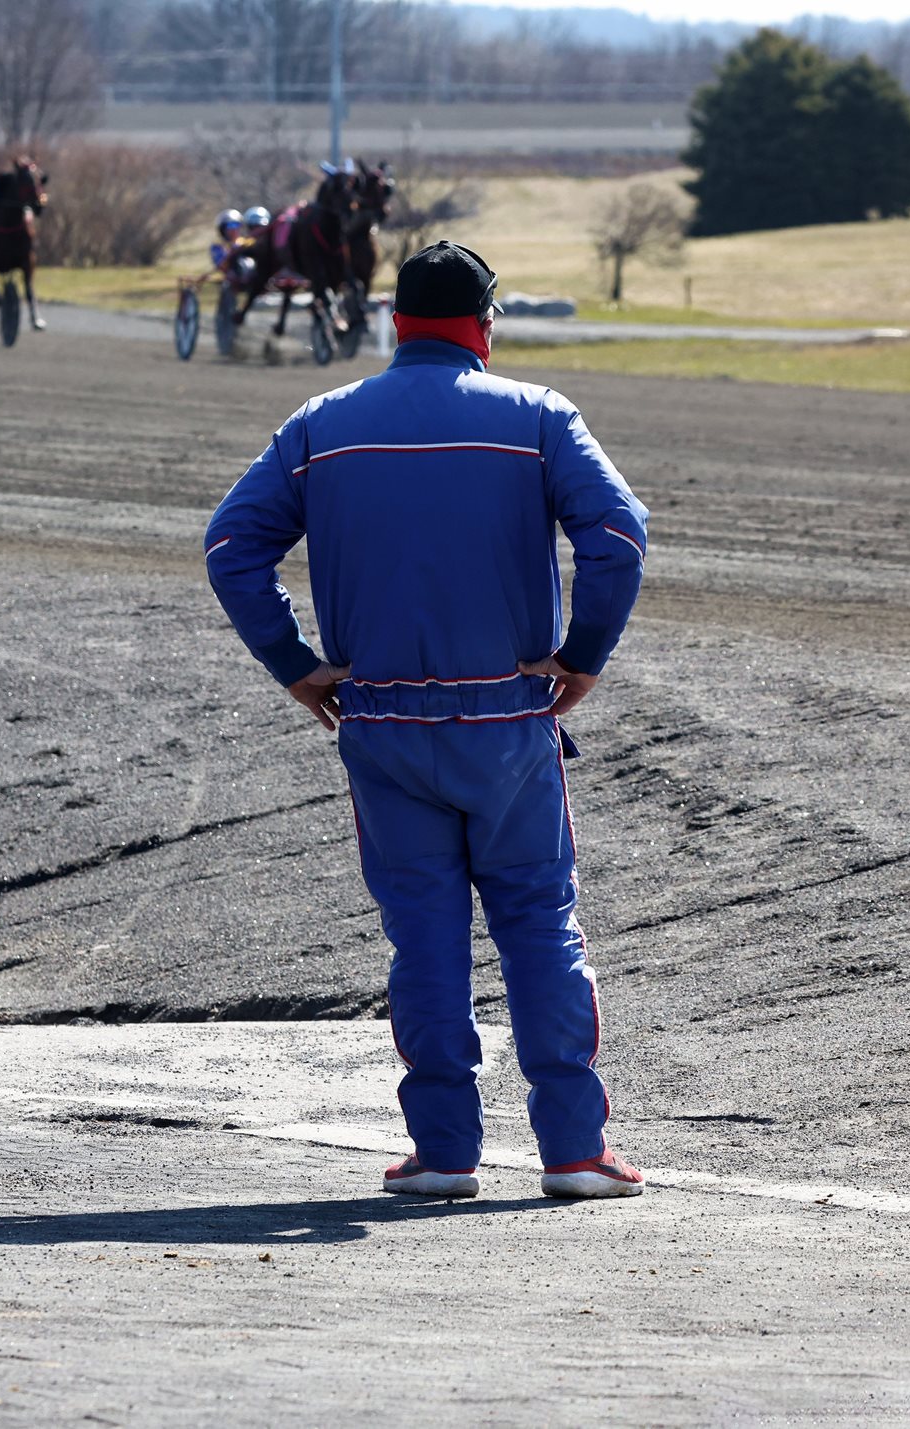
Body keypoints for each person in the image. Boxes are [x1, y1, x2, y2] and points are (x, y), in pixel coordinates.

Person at [203, 241, 652, 1201]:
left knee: (425, 939)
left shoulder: (324, 423)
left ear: (394, 321)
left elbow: (234, 546)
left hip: (380, 724)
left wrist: (294, 666)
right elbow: (617, 536)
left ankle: (445, 1149)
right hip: (507, 721)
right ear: (486, 323)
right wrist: (582, 656)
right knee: (539, 921)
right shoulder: (538, 416)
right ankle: (575, 1149)